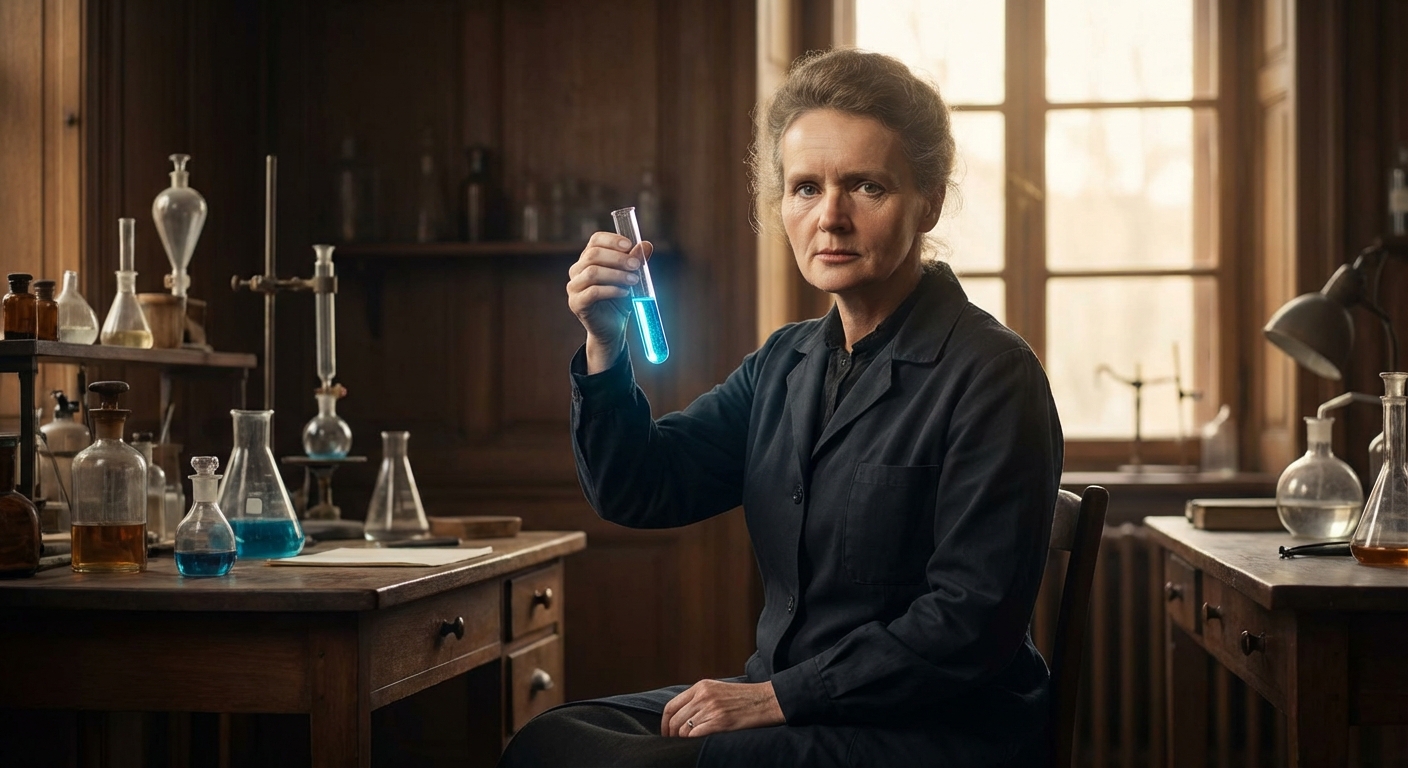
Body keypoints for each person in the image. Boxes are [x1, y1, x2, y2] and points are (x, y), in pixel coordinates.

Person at [501, 47, 1063, 767]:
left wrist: (772, 699)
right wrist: (605, 345)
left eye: (865, 186)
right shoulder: (786, 362)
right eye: (805, 188)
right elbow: (638, 488)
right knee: (549, 741)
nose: (831, 218)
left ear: (929, 200)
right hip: (796, 706)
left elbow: (970, 623)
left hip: (932, 729)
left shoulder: (992, 374)